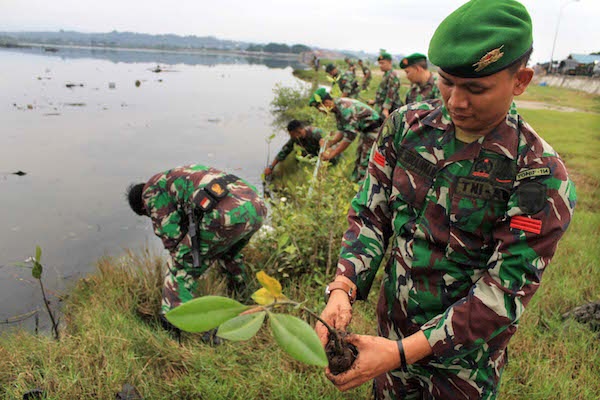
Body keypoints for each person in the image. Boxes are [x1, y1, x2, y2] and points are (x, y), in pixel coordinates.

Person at [316, 1, 577, 398]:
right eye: (446, 82)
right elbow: (371, 214)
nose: (455, 101)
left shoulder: (537, 173)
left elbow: (504, 290)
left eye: (476, 89)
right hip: (390, 332)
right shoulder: (406, 128)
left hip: (464, 363)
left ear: (521, 80)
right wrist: (343, 285)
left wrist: (402, 353)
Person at [126, 165, 267, 334]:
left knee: (180, 266)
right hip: (256, 206)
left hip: (225, 215)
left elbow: (172, 237)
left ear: (142, 208)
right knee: (229, 253)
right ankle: (241, 292)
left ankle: (173, 323)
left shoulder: (150, 193)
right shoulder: (177, 174)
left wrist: (192, 259)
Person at [308, 88, 380, 182]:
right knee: (359, 155)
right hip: (365, 130)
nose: (320, 111)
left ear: (326, 103)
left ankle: (362, 187)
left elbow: (349, 137)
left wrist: (332, 154)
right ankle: (354, 181)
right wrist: (330, 142)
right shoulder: (337, 107)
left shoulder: (345, 109)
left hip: (375, 130)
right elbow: (342, 130)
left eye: (319, 108)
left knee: (366, 159)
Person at [369, 51, 402, 119]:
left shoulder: (392, 75)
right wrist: (375, 101)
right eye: (379, 63)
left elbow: (391, 93)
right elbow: (383, 92)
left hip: (390, 109)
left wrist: (386, 109)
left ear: (390, 62)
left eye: (382, 63)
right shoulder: (386, 74)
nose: (380, 65)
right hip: (381, 105)